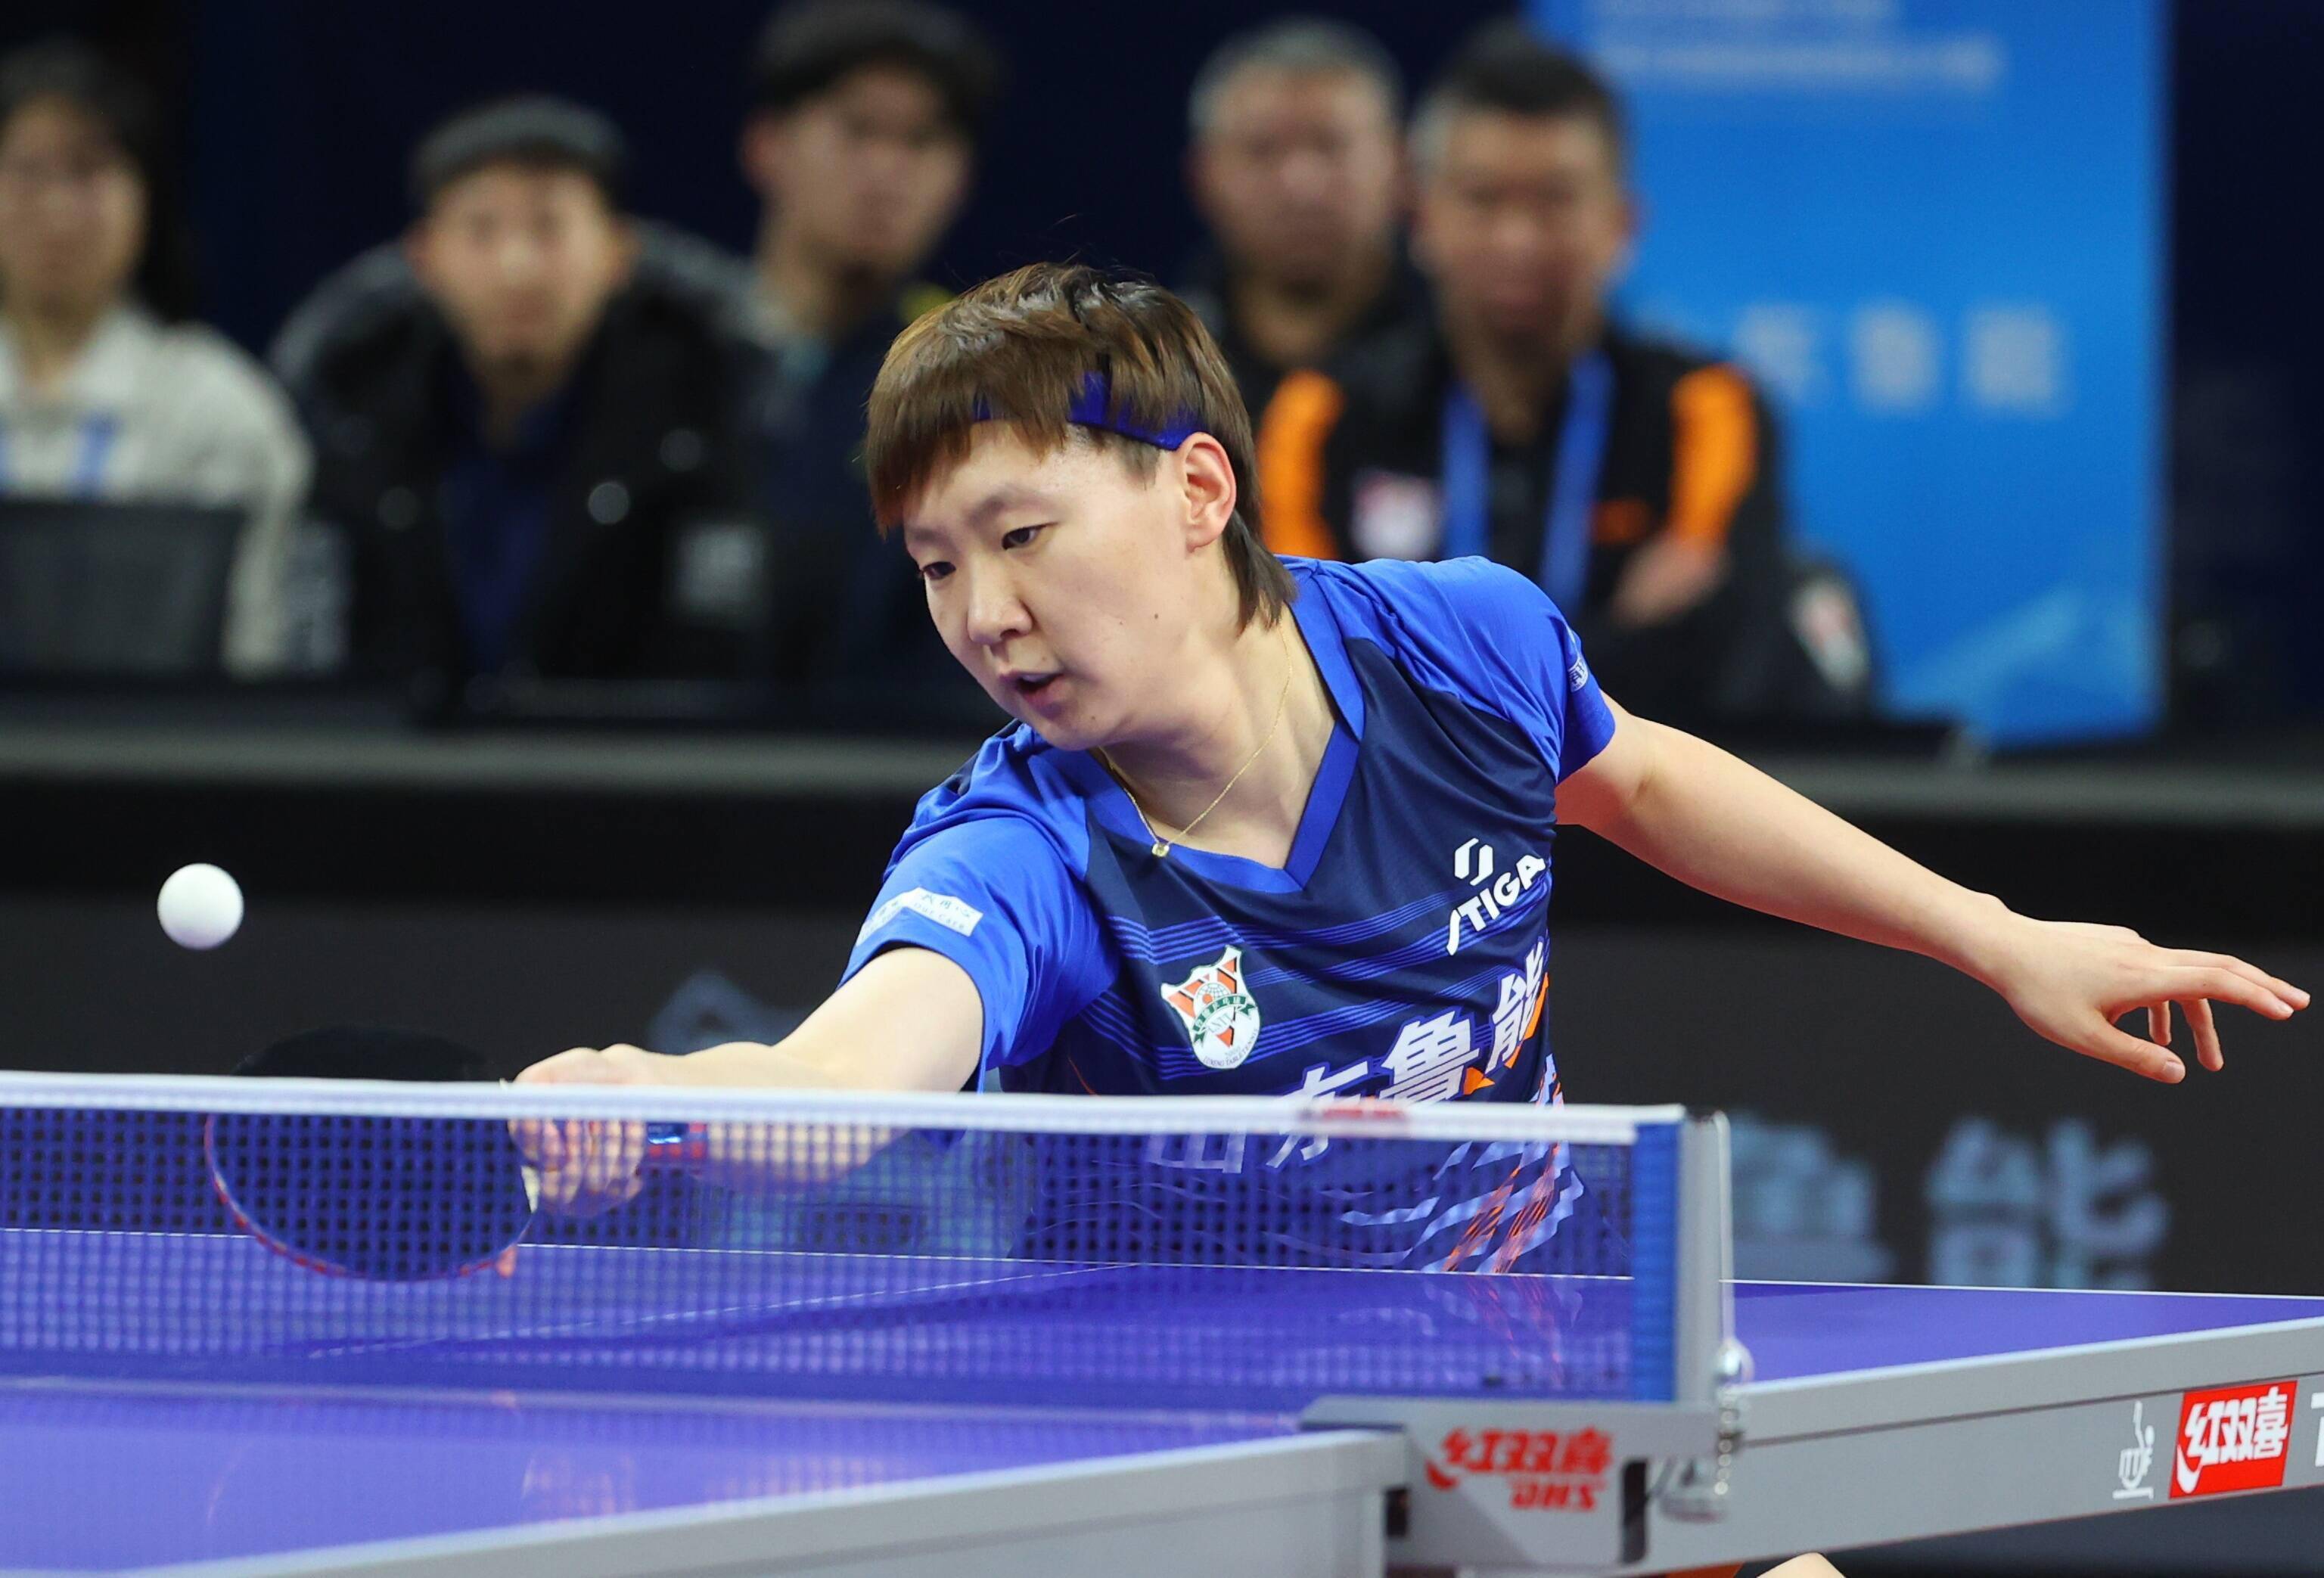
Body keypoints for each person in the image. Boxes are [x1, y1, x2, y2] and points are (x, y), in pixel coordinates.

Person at [516, 265, 2304, 1229]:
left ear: (1196, 490)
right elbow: (848, 1082)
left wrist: (1998, 937)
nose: (983, 612)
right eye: (933, 565)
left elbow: (1640, 783)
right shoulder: (1026, 852)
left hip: (1540, 1344)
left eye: (1022, 535)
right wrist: (665, 1097)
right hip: (1207, 1444)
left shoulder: (1457, 641)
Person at [1256, 24, 1865, 729]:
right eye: (1483, 199)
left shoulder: (1707, 407)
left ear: (1622, 224)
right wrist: (1610, 639)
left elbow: (1709, 650)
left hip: (1638, 787)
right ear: (1420, 218)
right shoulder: (1322, 412)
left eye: (1555, 200)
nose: (1518, 238)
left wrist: (1421, 663)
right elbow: (1305, 646)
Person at [284, 98, 771, 710]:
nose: (517, 268)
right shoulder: (352, 423)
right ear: (424, 259)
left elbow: (712, 675)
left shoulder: (701, 422)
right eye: (481, 230)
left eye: (549, 227)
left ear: (618, 254)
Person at [0, 39, 308, 674]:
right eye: (27, 171)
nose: (56, 207)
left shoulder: (218, 408)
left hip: (160, 734)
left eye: (87, 172)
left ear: (146, 198)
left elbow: (258, 657)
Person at [738, 0, 1002, 722]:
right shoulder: (666, 361)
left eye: (921, 140)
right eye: (857, 130)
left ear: (960, 178)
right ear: (767, 147)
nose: (888, 169)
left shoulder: (980, 386)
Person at [1179, 18, 1421, 418]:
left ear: (1399, 165)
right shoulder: (1154, 366)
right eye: (1262, 149)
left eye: (1331, 145)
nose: (1301, 185)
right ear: (1203, 177)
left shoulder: (1469, 364)